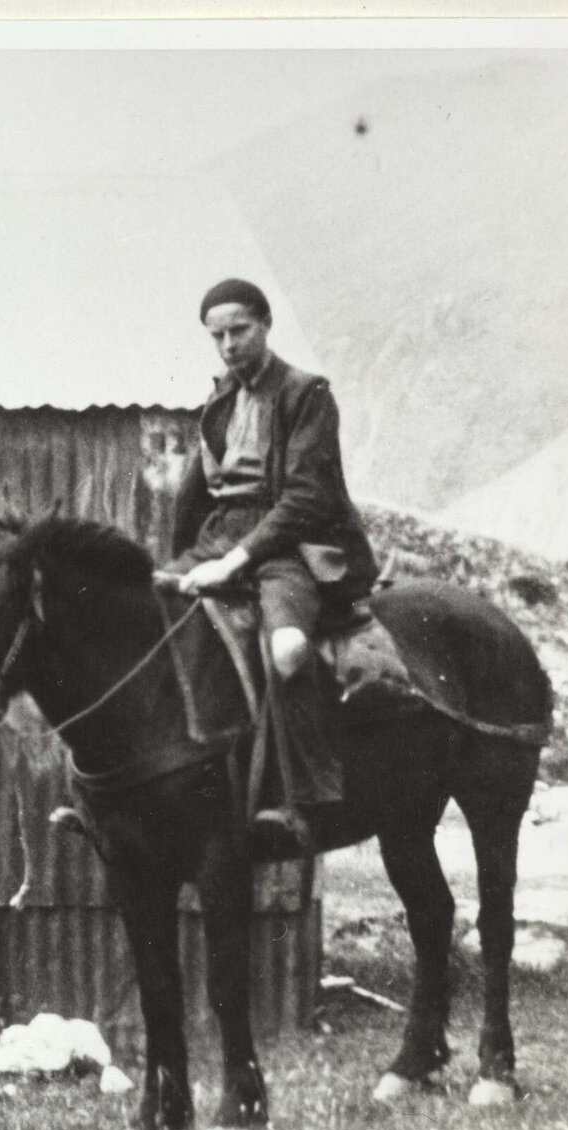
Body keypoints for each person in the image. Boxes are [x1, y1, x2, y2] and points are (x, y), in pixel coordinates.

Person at [167, 278, 379, 852]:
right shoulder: (220, 398)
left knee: (286, 650)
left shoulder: (306, 394)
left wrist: (236, 560)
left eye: (239, 331)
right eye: (217, 336)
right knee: (151, 615)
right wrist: (180, 562)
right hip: (219, 539)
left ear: (265, 324)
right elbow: (194, 494)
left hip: (289, 547)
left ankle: (301, 794)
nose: (229, 345)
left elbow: (308, 497)